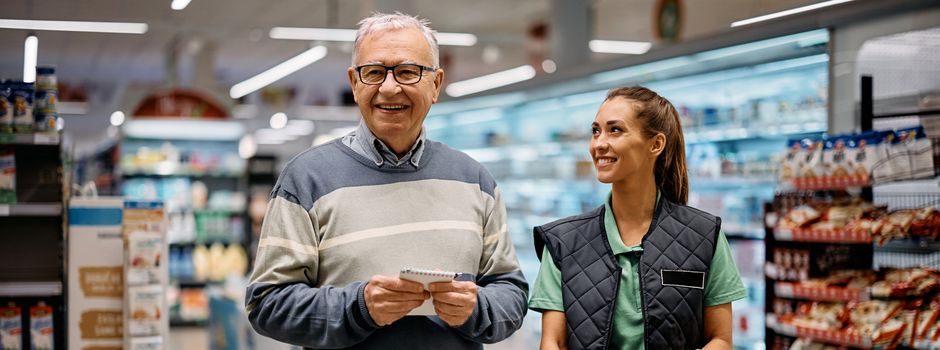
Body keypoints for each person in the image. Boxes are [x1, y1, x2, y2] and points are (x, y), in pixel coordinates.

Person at [245, 12, 528, 350]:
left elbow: (511, 292)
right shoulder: (306, 178)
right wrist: (359, 308)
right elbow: (266, 304)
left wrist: (475, 308)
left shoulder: (475, 180)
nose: (390, 87)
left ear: (436, 84)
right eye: (374, 72)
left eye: (408, 72)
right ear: (354, 83)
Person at [529, 86, 746, 350]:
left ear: (655, 144)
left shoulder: (704, 235)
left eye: (615, 130)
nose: (599, 143)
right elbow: (553, 342)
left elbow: (721, 339)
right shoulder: (563, 242)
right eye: (596, 131)